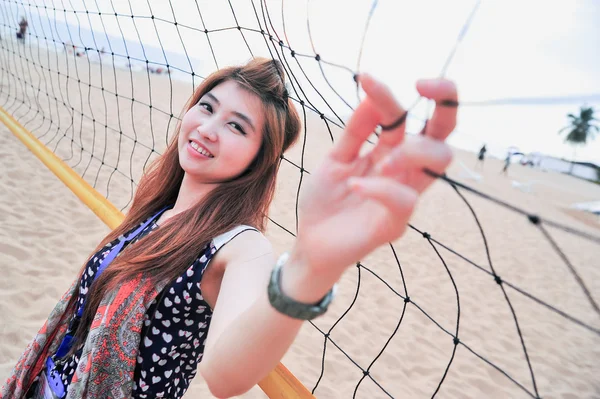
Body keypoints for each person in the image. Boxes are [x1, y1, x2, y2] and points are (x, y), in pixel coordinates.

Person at [1, 58, 457, 399]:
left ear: (259, 158)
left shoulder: (240, 246)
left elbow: (225, 375)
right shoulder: (155, 210)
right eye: (207, 107)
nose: (208, 128)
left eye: (236, 126)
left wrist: (310, 268)